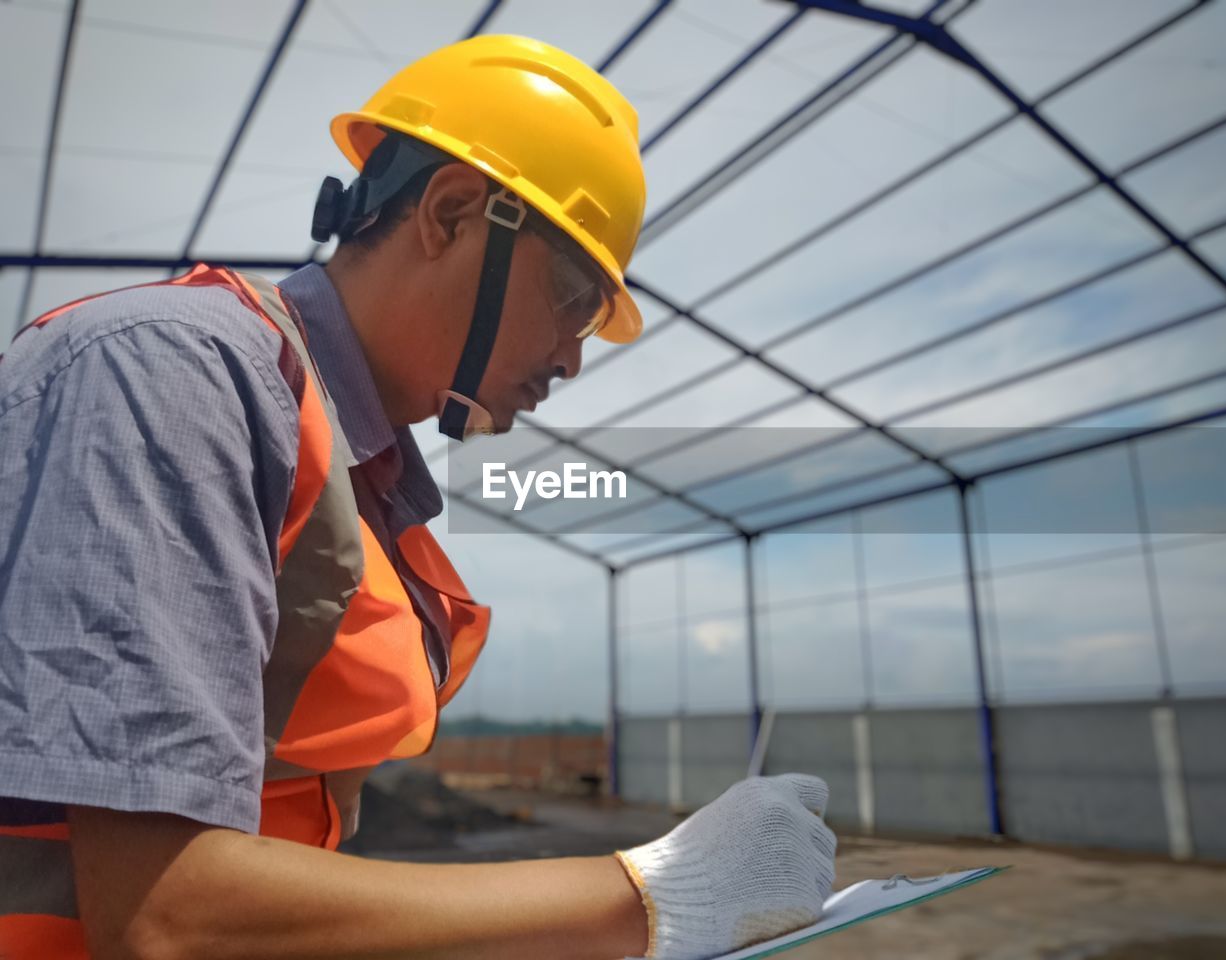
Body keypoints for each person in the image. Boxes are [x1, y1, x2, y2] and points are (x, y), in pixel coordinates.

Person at [0, 34, 836, 960]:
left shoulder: (353, 470)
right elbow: (162, 914)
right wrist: (649, 893)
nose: (571, 356)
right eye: (572, 298)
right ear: (448, 213)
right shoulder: (173, 377)